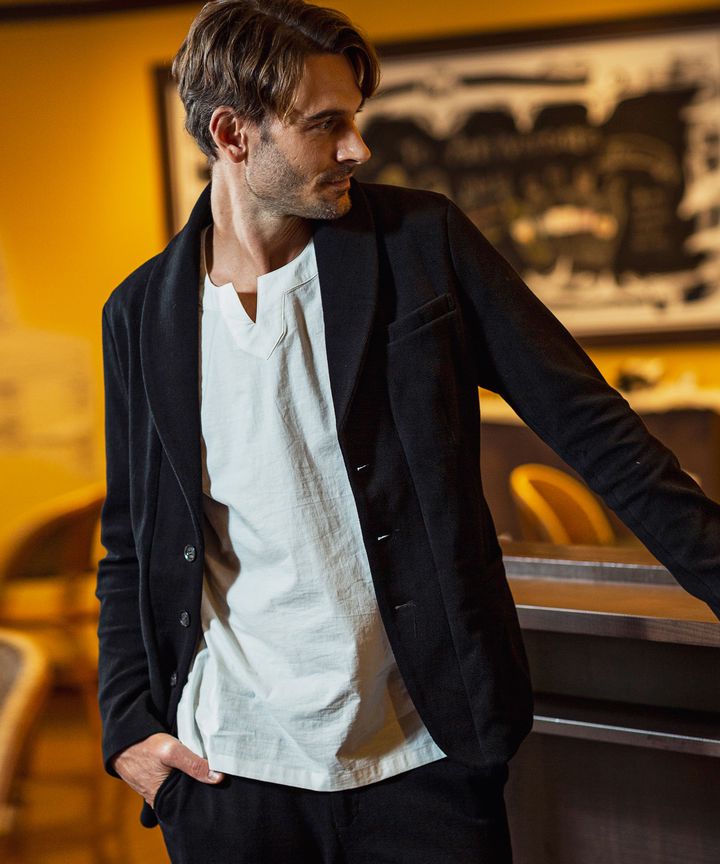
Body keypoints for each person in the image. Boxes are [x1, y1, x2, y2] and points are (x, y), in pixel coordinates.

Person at [96, 2, 720, 862]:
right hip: (229, 775)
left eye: (355, 119)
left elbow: (595, 429)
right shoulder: (139, 314)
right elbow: (129, 542)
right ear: (233, 134)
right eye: (326, 124)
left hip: (425, 757)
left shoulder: (423, 242)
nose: (358, 147)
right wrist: (126, 724)